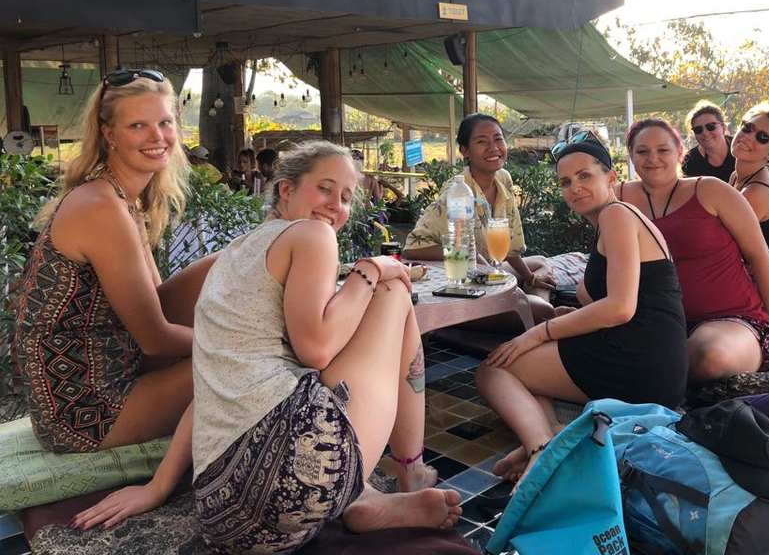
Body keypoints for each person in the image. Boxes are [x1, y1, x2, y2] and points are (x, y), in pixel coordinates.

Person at [191, 141, 461, 554]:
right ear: (286, 189)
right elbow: (316, 349)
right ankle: (411, 473)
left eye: (347, 197)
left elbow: (213, 382)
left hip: (224, 513)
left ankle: (363, 496)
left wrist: (157, 487)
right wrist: (371, 269)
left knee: (345, 330)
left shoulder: (233, 254)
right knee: (392, 289)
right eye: (325, 188)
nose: (335, 205)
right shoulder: (311, 234)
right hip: (301, 478)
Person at [14, 68, 217, 529]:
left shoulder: (126, 198)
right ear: (108, 135)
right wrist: (238, 341)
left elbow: (156, 302)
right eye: (137, 126)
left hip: (114, 364)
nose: (157, 136)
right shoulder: (101, 207)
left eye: (164, 123)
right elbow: (155, 337)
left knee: (234, 259)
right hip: (83, 410)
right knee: (250, 359)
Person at [475, 134, 688, 485]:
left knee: (495, 370)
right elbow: (614, 301)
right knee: (527, 370)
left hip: (641, 360)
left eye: (584, 176)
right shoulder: (614, 219)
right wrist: (562, 319)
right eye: (565, 182)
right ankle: (557, 434)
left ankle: (541, 451)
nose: (574, 188)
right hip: (659, 365)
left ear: (611, 177)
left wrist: (538, 333)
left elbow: (620, 308)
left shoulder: (617, 215)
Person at [620, 117, 769, 384]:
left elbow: (760, 255)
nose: (652, 158)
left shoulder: (717, 190)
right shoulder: (619, 198)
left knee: (709, 358)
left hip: (729, 316)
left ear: (680, 152)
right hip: (660, 318)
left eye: (663, 150)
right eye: (642, 151)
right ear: (631, 156)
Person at [403, 113, 555, 322]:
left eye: (498, 139)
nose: (493, 147)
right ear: (465, 151)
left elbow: (507, 246)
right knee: (544, 312)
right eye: (482, 141)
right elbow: (412, 248)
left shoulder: (503, 179)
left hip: (488, 272)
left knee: (539, 264)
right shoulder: (456, 193)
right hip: (463, 281)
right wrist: (467, 255)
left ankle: (528, 306)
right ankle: (527, 312)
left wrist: (529, 278)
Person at [730, 103, 769, 315]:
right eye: (748, 127)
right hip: (745, 273)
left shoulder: (757, 192)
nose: (748, 137)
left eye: (762, 138)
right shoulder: (738, 177)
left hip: (765, 288)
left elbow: (721, 241)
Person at [682, 100, 769, 209]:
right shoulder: (735, 175)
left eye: (763, 137)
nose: (705, 133)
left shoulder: (755, 191)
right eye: (748, 127)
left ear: (723, 127)